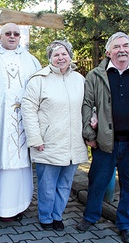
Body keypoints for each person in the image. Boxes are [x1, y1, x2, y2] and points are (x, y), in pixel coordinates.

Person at [77, 32, 129, 243]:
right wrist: (90, 134)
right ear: (108, 51)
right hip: (105, 142)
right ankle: (90, 217)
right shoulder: (96, 75)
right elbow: (87, 106)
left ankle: (125, 225)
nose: (121, 50)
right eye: (116, 47)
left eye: (125, 46)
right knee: (97, 183)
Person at [0, 23, 41, 222]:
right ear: (0, 36)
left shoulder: (31, 60)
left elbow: (39, 92)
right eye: (8, 33)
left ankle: (17, 207)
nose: (12, 37)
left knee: (19, 165)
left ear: (20, 37)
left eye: (16, 34)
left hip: (21, 122)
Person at [21, 40, 88, 231]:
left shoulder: (79, 79)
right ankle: (45, 216)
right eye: (56, 54)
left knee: (65, 184)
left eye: (64, 54)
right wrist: (35, 139)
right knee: (47, 185)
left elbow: (88, 106)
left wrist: (93, 120)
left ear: (70, 56)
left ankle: (57, 215)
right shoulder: (39, 80)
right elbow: (28, 110)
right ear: (49, 57)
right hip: (48, 142)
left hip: (73, 142)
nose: (60, 58)